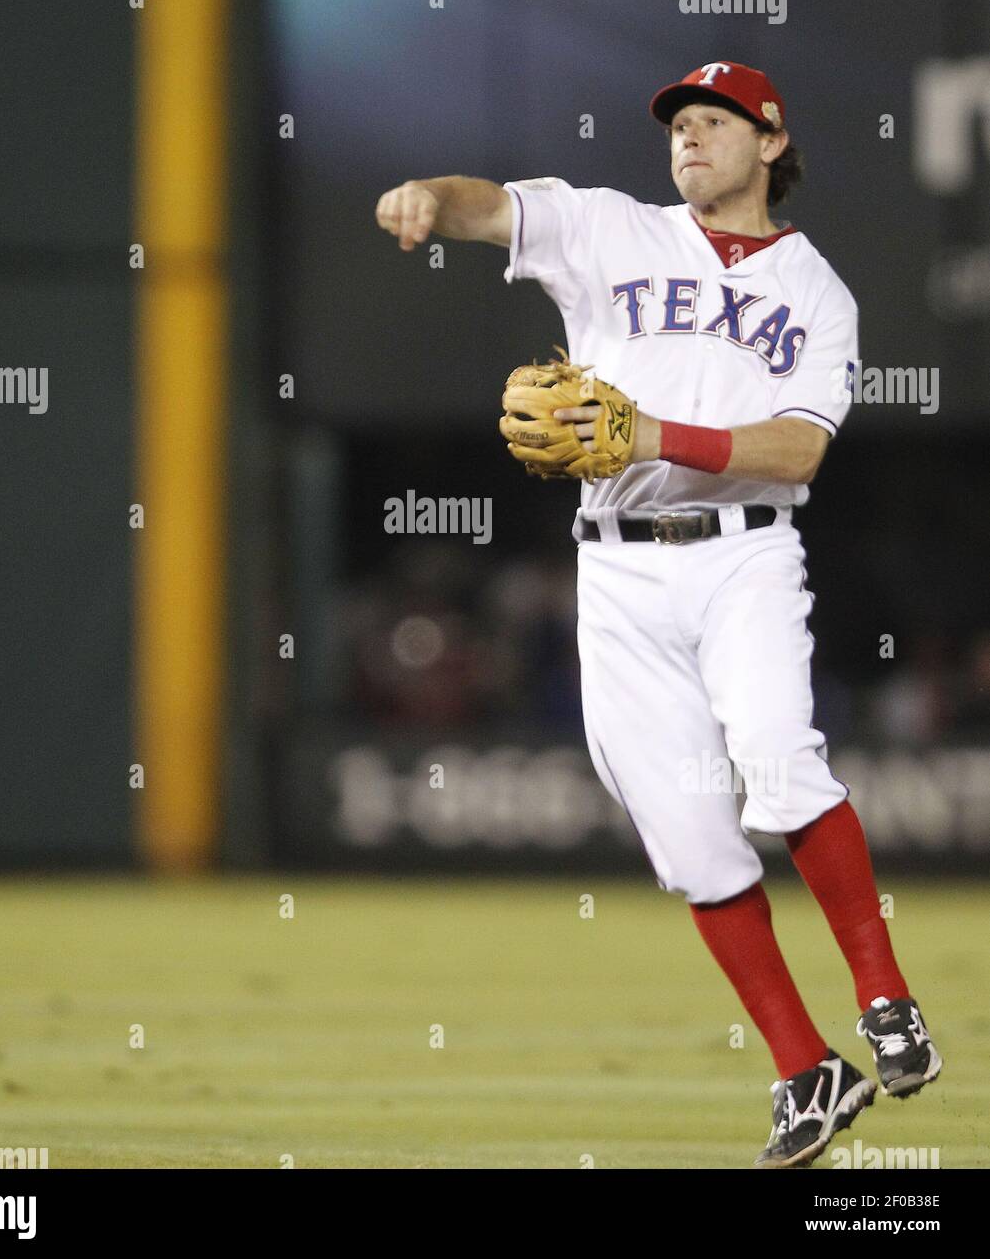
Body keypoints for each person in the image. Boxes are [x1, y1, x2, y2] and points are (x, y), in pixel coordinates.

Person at [374, 61, 942, 1168]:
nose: (688, 139)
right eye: (678, 124)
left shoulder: (817, 291)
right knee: (689, 841)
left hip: (744, 560)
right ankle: (805, 1072)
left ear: (771, 142)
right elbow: (488, 205)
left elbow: (800, 449)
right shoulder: (607, 231)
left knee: (780, 757)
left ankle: (883, 999)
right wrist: (428, 201)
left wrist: (651, 436)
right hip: (619, 579)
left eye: (713, 122)